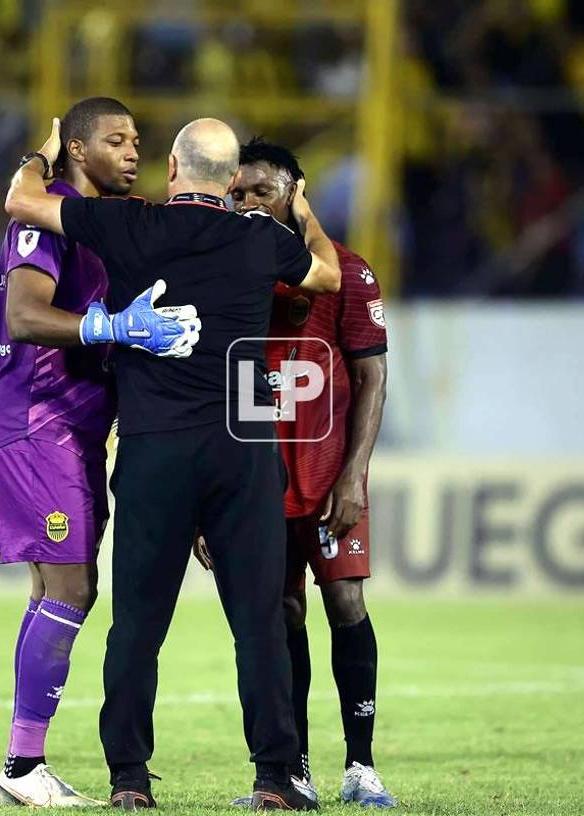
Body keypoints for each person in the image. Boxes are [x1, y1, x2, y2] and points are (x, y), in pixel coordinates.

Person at [5, 116, 341, 811]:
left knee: (138, 625)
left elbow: (22, 202)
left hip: (156, 448)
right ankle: (275, 780)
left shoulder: (132, 225)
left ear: (175, 171)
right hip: (244, 452)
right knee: (259, 623)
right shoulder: (261, 237)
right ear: (233, 181)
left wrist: (40, 151)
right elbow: (328, 274)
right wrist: (303, 210)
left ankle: (129, 781)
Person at [0, 96, 199, 808]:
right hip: (36, 418)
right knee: (71, 589)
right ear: (78, 151)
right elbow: (24, 314)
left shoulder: (91, 221)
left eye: (138, 139)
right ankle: (21, 767)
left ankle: (23, 763)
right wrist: (111, 327)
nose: (133, 152)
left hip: (69, 427)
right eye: (115, 140)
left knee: (61, 590)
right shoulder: (47, 214)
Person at [195, 138, 395, 808]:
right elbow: (210, 388)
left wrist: (352, 477)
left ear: (295, 193)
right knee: (280, 616)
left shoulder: (348, 274)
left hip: (327, 477)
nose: (247, 202)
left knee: (345, 603)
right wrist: (207, 500)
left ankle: (361, 766)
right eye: (238, 191)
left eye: (263, 190)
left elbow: (372, 378)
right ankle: (295, 767)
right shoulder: (221, 273)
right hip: (256, 485)